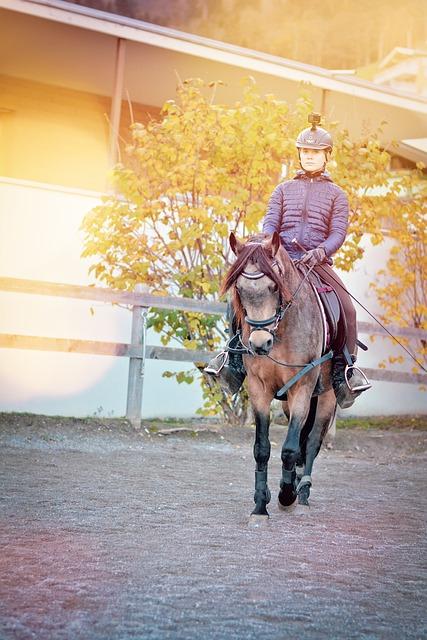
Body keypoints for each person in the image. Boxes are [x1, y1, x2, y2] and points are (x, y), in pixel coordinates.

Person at [205, 113, 371, 408]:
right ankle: (232, 361)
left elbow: (338, 232)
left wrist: (321, 251)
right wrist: (268, 246)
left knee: (346, 306)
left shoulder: (337, 195)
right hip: (280, 261)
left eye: (315, 153)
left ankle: (346, 372)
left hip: (315, 264)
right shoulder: (282, 190)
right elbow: (271, 223)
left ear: (326, 156)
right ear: (299, 154)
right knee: (243, 296)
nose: (309, 157)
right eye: (305, 152)